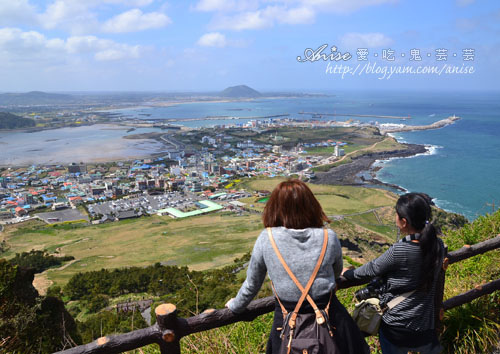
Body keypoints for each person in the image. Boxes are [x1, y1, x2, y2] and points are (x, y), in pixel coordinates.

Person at [226, 179, 369, 354]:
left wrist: (235, 307)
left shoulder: (267, 238)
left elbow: (252, 284)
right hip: (332, 320)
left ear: (274, 208)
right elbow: (336, 272)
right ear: (311, 205)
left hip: (287, 324)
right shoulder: (328, 237)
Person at [342, 192, 444, 354]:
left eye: (396, 215)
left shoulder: (401, 250)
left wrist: (348, 274)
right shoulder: (438, 245)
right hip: (425, 323)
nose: (395, 219)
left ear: (404, 222)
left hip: (397, 325)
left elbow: (371, 269)